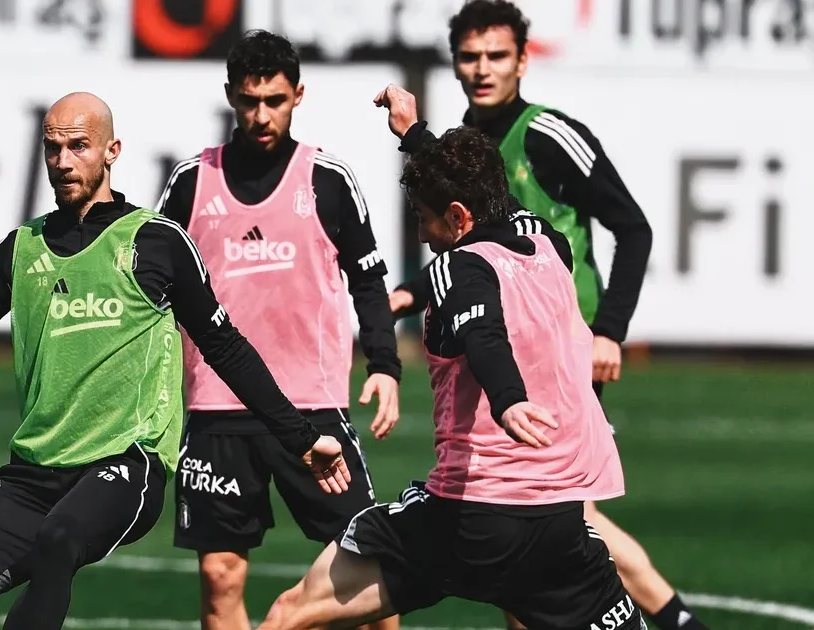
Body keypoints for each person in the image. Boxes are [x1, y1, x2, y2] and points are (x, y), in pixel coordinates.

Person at [0, 92, 351, 630]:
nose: (63, 161)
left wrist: (301, 438)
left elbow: (225, 347)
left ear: (111, 151)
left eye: (78, 146)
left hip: (126, 463)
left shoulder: (156, 242)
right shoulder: (23, 248)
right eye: (53, 147)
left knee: (58, 542)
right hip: (34, 471)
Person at [374, 3, 711, 630]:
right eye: (470, 56)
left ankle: (677, 620)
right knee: (526, 523)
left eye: (497, 55)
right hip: (501, 349)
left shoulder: (548, 135)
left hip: (558, 353)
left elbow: (633, 228)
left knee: (560, 519)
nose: (483, 68)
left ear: (524, 61)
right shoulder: (467, 147)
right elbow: (481, 241)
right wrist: (415, 293)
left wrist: (609, 330)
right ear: (454, 63)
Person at [254, 125, 644, 630]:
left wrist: (507, 399)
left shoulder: (456, 268)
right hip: (559, 523)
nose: (421, 235)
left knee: (290, 613)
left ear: (458, 216)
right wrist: (418, 138)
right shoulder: (549, 246)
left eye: (423, 217)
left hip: (468, 521)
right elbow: (493, 203)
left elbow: (483, 334)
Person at [155, 30, 401, 630]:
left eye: (274, 100)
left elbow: (369, 282)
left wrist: (385, 365)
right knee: (220, 577)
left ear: (298, 95)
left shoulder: (328, 179)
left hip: (312, 407)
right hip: (216, 409)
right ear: (230, 97)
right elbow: (152, 287)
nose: (261, 115)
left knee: (371, 571)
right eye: (249, 101)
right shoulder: (191, 182)